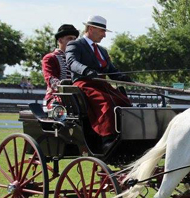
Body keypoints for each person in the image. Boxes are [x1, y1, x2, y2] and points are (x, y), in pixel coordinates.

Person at [66, 15, 132, 152]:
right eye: (102, 31)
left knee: (124, 101)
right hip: (84, 84)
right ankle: (107, 139)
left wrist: (122, 77)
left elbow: (111, 70)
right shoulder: (75, 45)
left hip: (101, 84)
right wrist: (86, 70)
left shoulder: (102, 51)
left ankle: (124, 136)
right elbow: (72, 62)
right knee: (106, 103)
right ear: (91, 29)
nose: (104, 36)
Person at [41, 24, 79, 110]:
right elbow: (51, 79)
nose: (73, 42)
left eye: (74, 39)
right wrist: (68, 89)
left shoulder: (79, 59)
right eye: (69, 38)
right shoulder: (50, 58)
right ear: (60, 40)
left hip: (77, 97)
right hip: (57, 97)